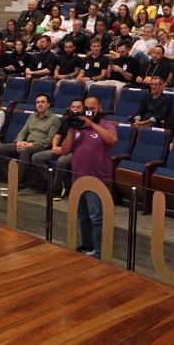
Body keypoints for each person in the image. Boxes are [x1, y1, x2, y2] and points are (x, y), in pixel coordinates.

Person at [60, 96, 118, 259]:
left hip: (97, 180)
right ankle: (87, 246)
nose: (89, 111)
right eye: (87, 108)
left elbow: (112, 140)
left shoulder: (106, 126)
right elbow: (64, 151)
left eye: (93, 108)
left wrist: (91, 123)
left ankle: (100, 253)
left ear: (100, 108)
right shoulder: (78, 128)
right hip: (78, 180)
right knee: (83, 216)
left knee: (97, 218)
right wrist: (71, 131)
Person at [0, 94, 61, 186]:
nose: (40, 104)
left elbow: (49, 140)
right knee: (0, 149)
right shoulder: (32, 116)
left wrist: (30, 145)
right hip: (26, 143)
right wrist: (19, 141)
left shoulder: (54, 119)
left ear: (48, 104)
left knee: (25, 150)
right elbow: (23, 132)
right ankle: (12, 175)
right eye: (37, 102)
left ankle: (15, 184)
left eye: (42, 102)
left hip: (40, 146)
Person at [31, 98, 83, 202]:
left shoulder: (85, 123)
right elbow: (57, 135)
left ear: (83, 109)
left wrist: (63, 149)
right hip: (59, 149)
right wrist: (54, 146)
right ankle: (57, 183)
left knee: (61, 161)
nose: (75, 109)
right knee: (36, 157)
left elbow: (81, 143)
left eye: (78, 107)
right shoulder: (66, 120)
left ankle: (55, 189)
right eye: (73, 107)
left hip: (74, 151)